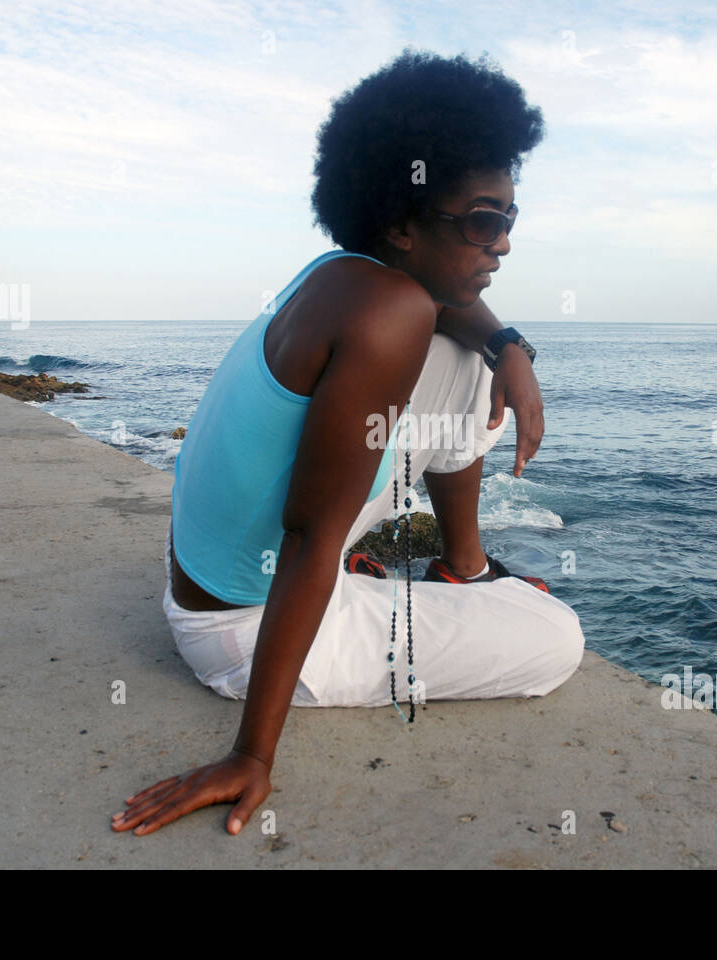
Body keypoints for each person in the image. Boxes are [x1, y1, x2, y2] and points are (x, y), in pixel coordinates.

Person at [112, 48, 585, 838]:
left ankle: (461, 567)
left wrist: (511, 348)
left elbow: (455, 309)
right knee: (556, 639)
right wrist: (252, 757)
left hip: (213, 574)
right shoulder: (389, 316)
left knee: (464, 353)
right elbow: (308, 536)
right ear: (400, 222)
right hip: (240, 628)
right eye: (482, 220)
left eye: (508, 220)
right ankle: (439, 590)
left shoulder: (346, 275)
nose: (502, 243)